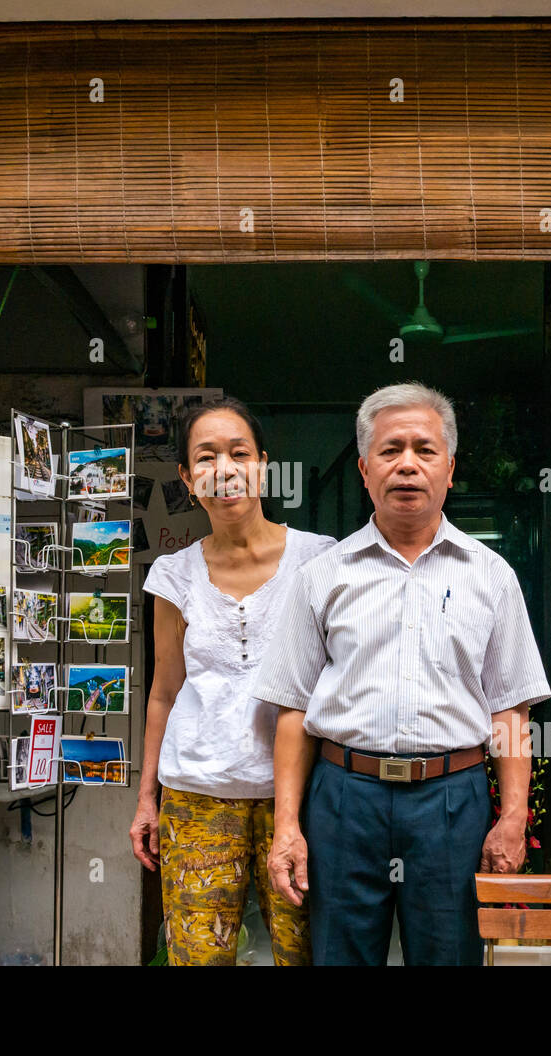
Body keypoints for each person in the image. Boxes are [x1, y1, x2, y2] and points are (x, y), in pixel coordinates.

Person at [254, 382, 551, 966]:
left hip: (450, 800)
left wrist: (514, 816)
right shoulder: (323, 575)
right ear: (364, 470)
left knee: (449, 955)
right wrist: (287, 825)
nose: (407, 464)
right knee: (340, 956)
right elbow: (292, 709)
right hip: (343, 797)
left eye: (424, 449)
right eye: (391, 451)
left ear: (449, 468)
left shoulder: (491, 577)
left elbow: (512, 709)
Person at [130, 397, 336, 966]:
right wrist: (148, 797)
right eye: (206, 457)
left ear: (262, 463)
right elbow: (165, 692)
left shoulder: (320, 560)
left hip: (299, 798)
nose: (224, 468)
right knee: (199, 958)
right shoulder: (173, 574)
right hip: (198, 795)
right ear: (186, 478)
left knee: (306, 953)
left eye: (238, 452)